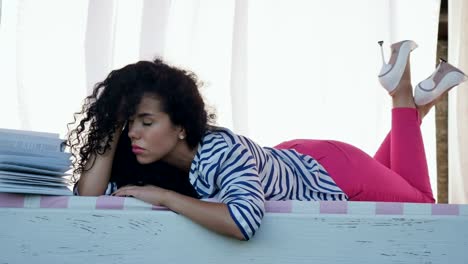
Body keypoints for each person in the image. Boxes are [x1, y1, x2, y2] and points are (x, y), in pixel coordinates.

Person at [67, 40, 468, 241]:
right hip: (302, 161)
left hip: (333, 174)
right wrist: (111, 124)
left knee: (420, 206)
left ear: (182, 126)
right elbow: (89, 198)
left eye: (146, 121)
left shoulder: (219, 149)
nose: (134, 133)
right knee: (391, 177)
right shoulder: (152, 161)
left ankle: (400, 95)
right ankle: (421, 103)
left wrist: (165, 198)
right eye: (128, 124)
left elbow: (244, 222)